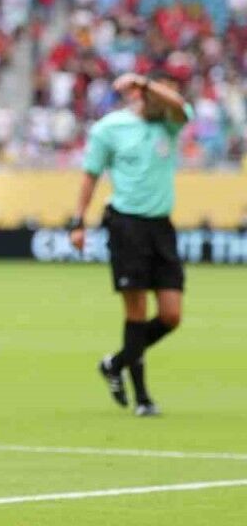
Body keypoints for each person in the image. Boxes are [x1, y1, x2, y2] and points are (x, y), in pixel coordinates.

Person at [71, 69, 192, 417]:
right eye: (159, 92)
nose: (166, 99)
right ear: (141, 96)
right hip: (126, 225)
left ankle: (115, 363)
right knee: (135, 312)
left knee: (171, 314)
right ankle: (142, 398)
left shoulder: (170, 122)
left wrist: (147, 84)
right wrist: (78, 221)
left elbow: (180, 105)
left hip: (161, 226)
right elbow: (90, 175)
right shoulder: (109, 129)